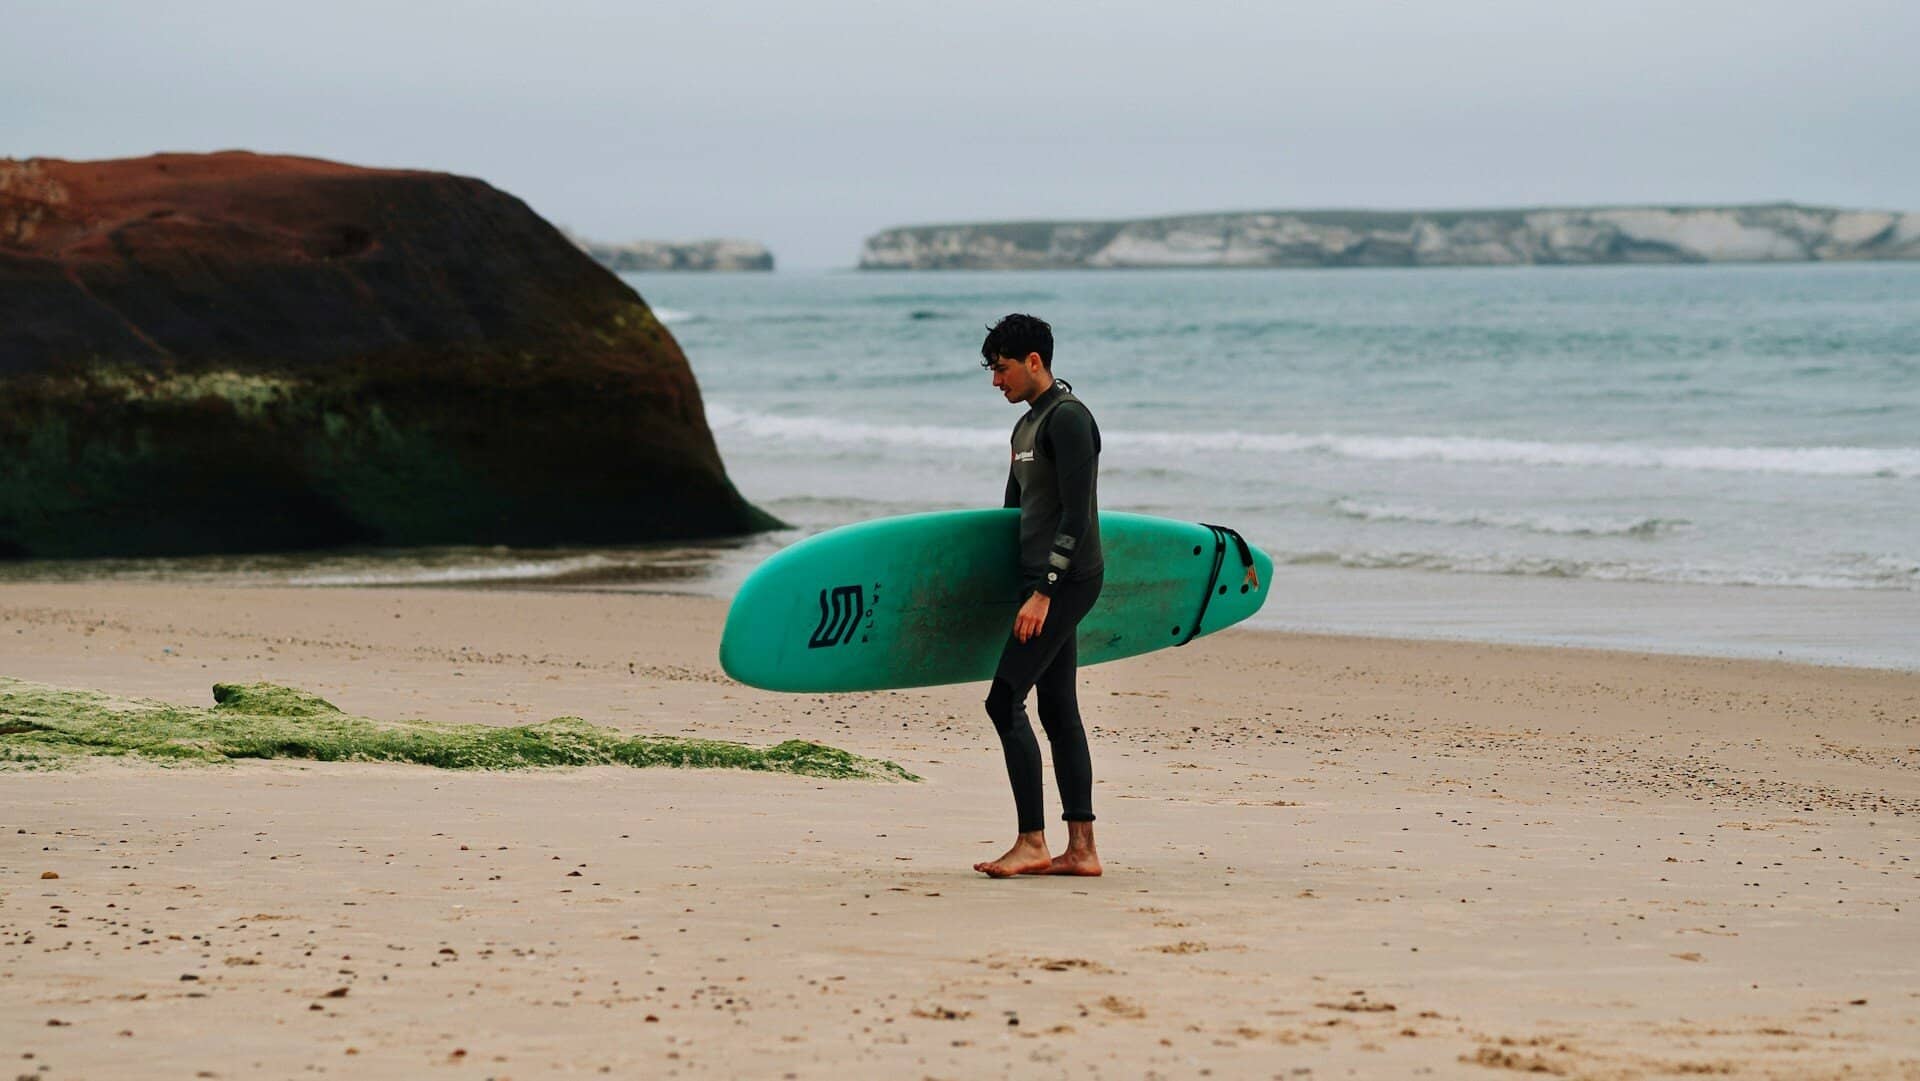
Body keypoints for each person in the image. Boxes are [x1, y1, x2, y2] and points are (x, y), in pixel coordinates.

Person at [973, 313, 1105, 879]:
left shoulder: (1068, 419)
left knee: (1004, 700)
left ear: (1034, 362)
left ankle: (1032, 841)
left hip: (1067, 581)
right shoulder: (1024, 428)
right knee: (1056, 706)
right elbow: (1015, 515)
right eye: (991, 370)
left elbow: (1076, 515)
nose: (995, 380)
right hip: (1037, 583)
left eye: (1002, 369)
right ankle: (1081, 849)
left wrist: (1045, 592)